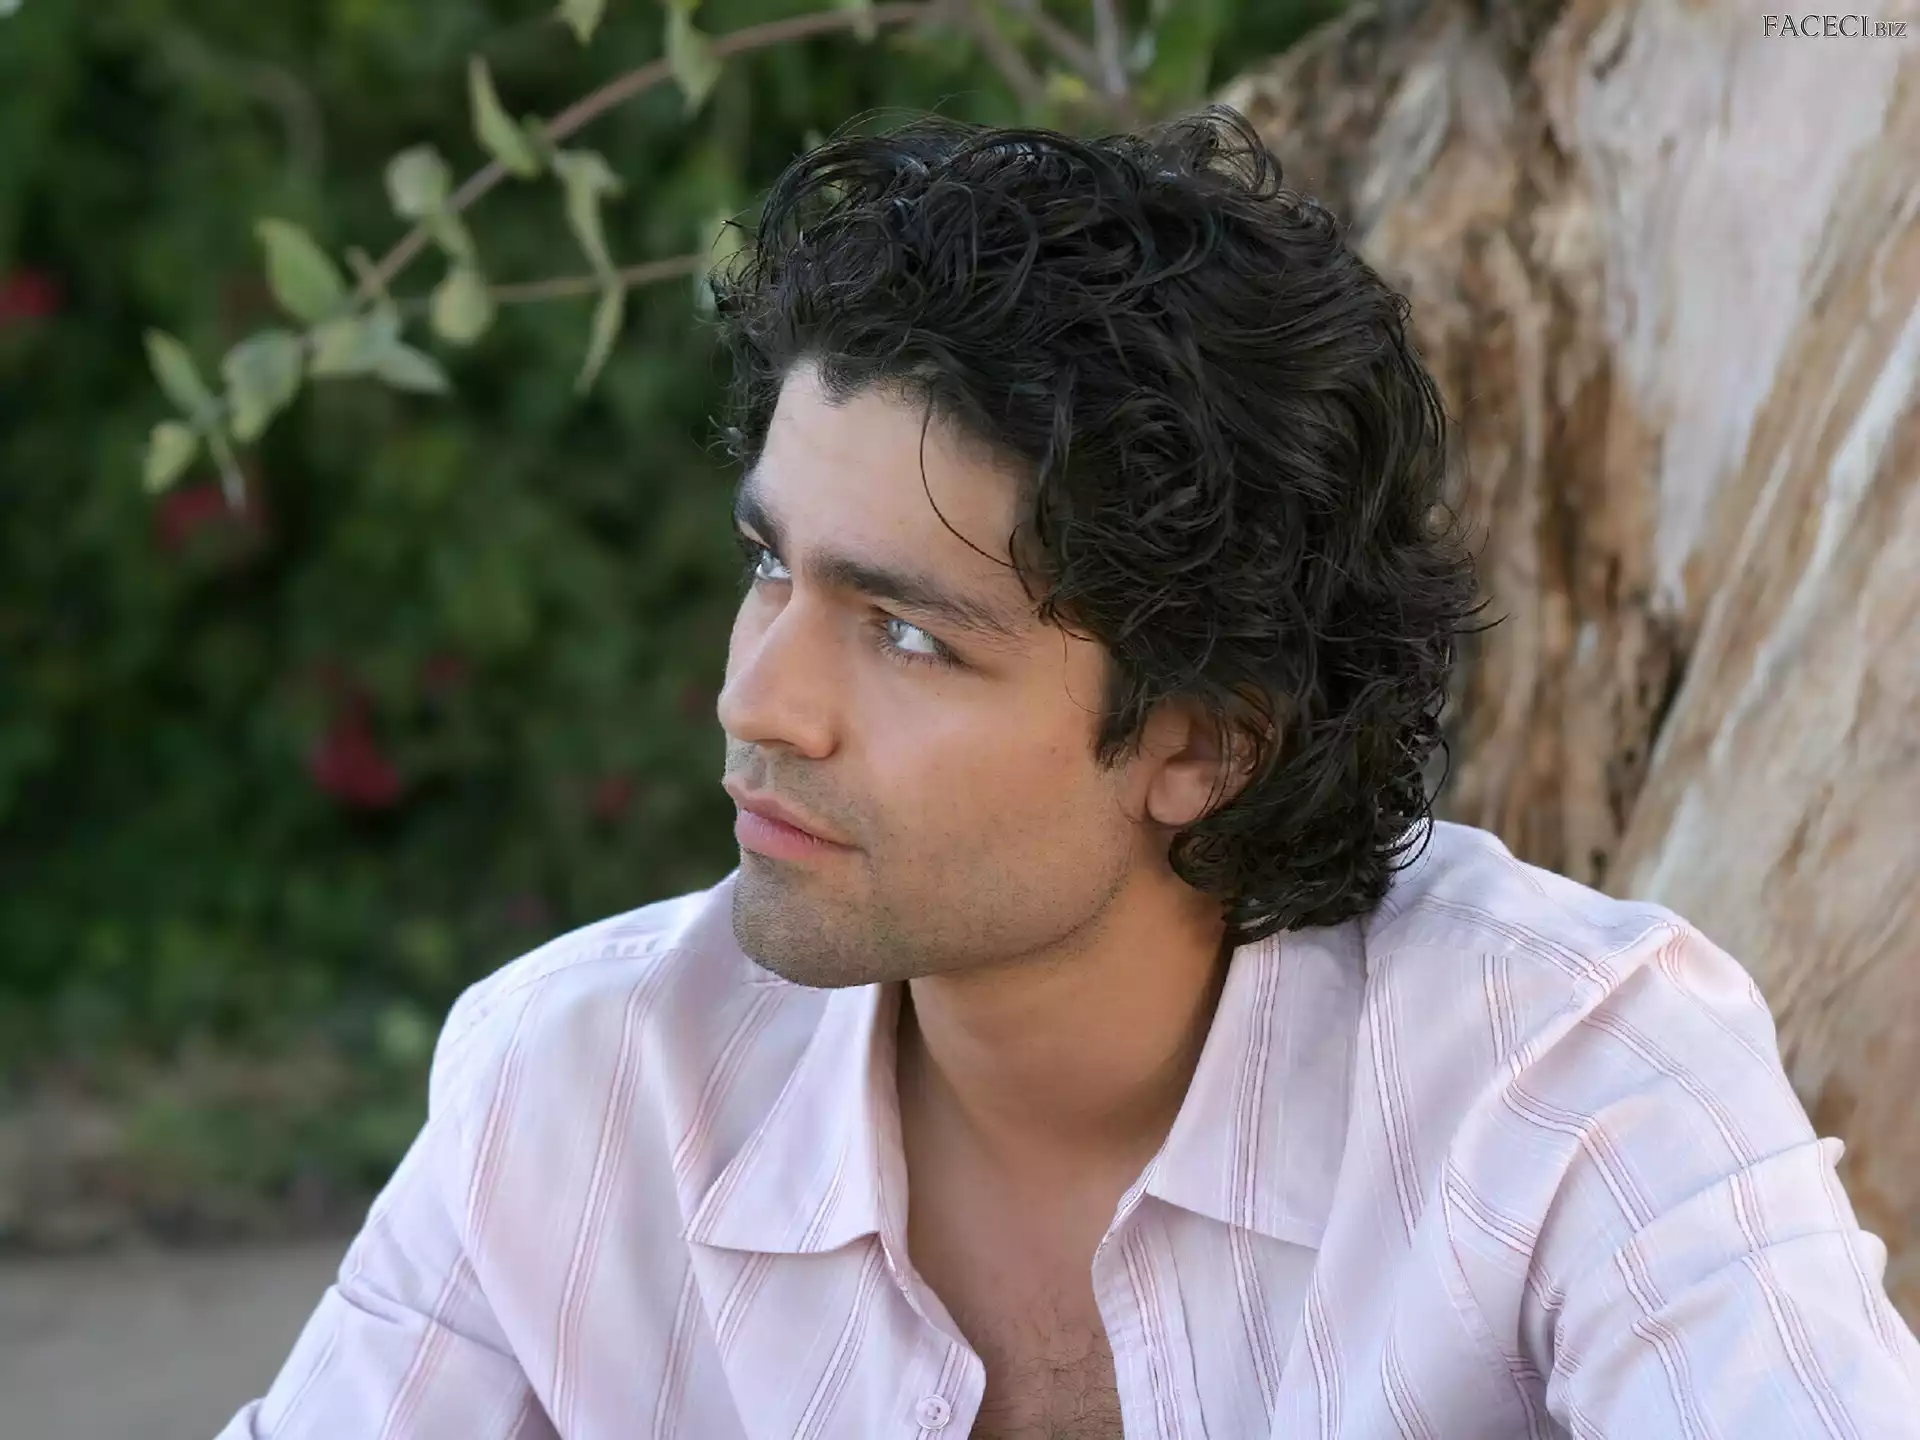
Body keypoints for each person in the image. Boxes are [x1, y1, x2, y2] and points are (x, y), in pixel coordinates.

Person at [216, 108, 1920, 1439]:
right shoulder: (580, 1089)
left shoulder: (1572, 1085)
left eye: (907, 635)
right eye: (770, 567)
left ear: (1203, 740)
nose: (760, 699)